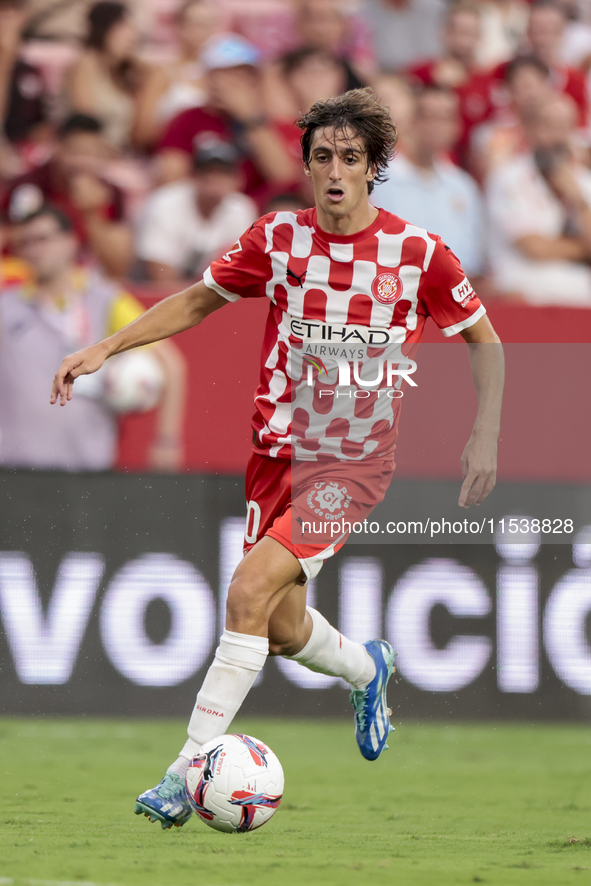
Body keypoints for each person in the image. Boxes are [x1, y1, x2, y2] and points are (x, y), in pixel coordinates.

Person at [50, 89, 504, 828]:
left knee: (245, 590)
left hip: (350, 464)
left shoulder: (415, 252)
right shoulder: (277, 239)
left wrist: (483, 433)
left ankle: (181, 773)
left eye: (350, 159)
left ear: (372, 168)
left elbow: (483, 339)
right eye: (321, 156)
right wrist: (106, 345)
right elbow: (198, 300)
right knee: (282, 627)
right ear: (304, 165)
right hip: (274, 454)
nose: (334, 171)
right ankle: (367, 668)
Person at [2, 204, 186, 471]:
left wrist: (167, 442)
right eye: (26, 243)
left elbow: (171, 365)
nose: (34, 250)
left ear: (70, 241)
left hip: (88, 468)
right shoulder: (7, 307)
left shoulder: (106, 300)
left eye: (42, 239)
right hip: (15, 467)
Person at [156, 33, 297, 196]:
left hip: (252, 212)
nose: (236, 81)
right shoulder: (186, 119)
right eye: (226, 73)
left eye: (245, 74)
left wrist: (248, 117)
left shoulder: (265, 122)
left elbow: (283, 177)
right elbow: (171, 180)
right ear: (208, 77)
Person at [485, 92, 591, 303]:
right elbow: (534, 248)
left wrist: (577, 200)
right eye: (549, 126)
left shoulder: (583, 182)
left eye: (564, 127)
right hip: (526, 295)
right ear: (530, 130)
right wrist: (583, 248)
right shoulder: (509, 179)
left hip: (579, 296)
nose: (557, 138)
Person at [3, 113, 133, 278]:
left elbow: (118, 266)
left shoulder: (111, 193)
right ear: (58, 148)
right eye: (76, 152)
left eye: (94, 154)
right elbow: (19, 240)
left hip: (86, 280)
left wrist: (92, 214)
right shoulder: (30, 186)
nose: (84, 162)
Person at [373, 87, 485, 278]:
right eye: (429, 117)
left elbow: (472, 259)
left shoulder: (463, 187)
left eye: (445, 118)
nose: (437, 126)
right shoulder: (377, 181)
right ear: (412, 121)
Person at [136, 138, 257, 282]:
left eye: (224, 173)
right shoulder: (165, 203)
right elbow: (160, 275)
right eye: (207, 172)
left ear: (237, 179)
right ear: (193, 175)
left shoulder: (241, 208)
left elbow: (239, 271)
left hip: (206, 293)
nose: (214, 179)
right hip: (148, 293)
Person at [63, 1, 168, 151]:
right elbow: (86, 124)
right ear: (104, 29)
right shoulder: (84, 65)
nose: (131, 35)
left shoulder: (122, 72)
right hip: (88, 153)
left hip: (118, 153)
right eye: (122, 27)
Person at [406, 3, 497, 166]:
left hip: (472, 168)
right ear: (444, 33)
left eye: (470, 33)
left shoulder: (488, 81)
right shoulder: (421, 73)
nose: (463, 40)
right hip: (425, 161)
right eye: (457, 31)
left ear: (480, 37)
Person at [0, 0, 50, 178]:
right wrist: (5, 58)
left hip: (23, 148)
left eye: (14, 10)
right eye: (2, 10)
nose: (7, 17)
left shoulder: (29, 68)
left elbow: (40, 121)